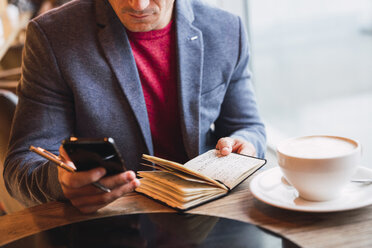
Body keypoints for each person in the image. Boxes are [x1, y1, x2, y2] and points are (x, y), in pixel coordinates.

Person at [4, 0, 266, 213]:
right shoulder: (53, 36)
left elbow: (247, 126)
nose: (138, 5)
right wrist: (60, 182)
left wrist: (245, 143)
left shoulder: (226, 30)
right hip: (108, 227)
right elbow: (21, 168)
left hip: (208, 218)